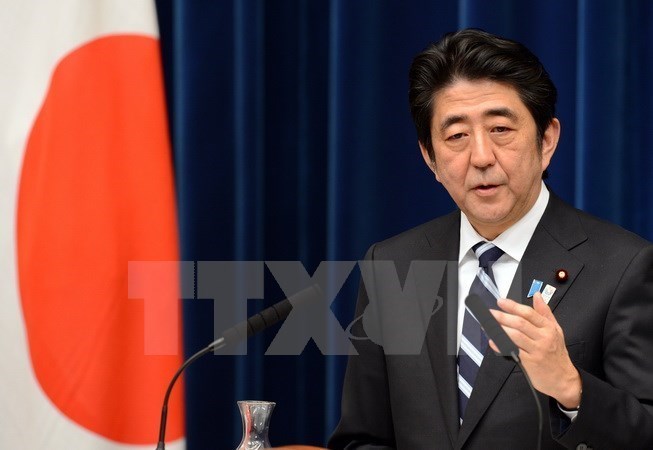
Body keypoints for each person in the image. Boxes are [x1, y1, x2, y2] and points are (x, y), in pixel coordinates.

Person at [328, 28, 653, 449]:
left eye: (500, 129)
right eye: (457, 136)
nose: (480, 157)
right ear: (430, 157)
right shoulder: (394, 263)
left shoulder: (623, 266)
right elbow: (363, 438)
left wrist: (573, 389)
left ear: (547, 140)